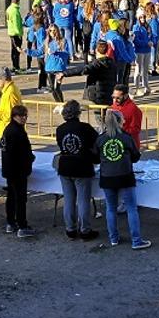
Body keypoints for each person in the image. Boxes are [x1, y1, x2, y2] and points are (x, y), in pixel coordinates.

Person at [97, 109, 151, 250]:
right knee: (131, 208)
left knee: (111, 208)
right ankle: (136, 240)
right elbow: (135, 156)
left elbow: (96, 158)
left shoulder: (101, 138)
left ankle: (113, 238)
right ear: (120, 121)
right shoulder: (126, 137)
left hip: (107, 177)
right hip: (125, 176)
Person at [54, 100, 99, 239]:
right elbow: (96, 145)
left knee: (68, 200)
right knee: (83, 200)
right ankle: (85, 230)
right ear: (78, 113)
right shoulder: (85, 128)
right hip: (82, 167)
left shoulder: (60, 129)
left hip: (65, 167)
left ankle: (70, 229)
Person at [0, 104, 36, 237]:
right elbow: (21, 152)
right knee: (20, 199)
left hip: (10, 170)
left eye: (25, 115)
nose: (24, 118)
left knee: (11, 197)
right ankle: (22, 225)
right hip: (17, 171)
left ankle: (11, 222)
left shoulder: (9, 129)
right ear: (14, 116)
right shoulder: (16, 132)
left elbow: (3, 147)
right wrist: (30, 158)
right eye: (21, 116)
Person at [66, 41, 116, 112]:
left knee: (100, 117)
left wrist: (64, 73)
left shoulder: (97, 63)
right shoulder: (112, 62)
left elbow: (83, 70)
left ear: (96, 50)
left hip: (98, 95)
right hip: (109, 94)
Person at [0, 68, 23, 140]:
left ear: (3, 79)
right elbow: (7, 108)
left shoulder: (10, 93)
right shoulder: (10, 89)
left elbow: (9, 115)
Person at [110, 85, 143, 150]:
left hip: (129, 146)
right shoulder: (114, 106)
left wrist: (119, 131)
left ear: (125, 96)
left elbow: (136, 130)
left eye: (118, 98)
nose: (115, 100)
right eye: (113, 97)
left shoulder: (134, 109)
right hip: (117, 144)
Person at [6, 0, 25, 72]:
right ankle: (16, 67)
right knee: (17, 51)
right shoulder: (15, 11)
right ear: (18, 2)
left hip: (11, 32)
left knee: (13, 50)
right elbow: (16, 24)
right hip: (16, 33)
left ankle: (15, 66)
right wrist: (20, 34)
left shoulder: (9, 9)